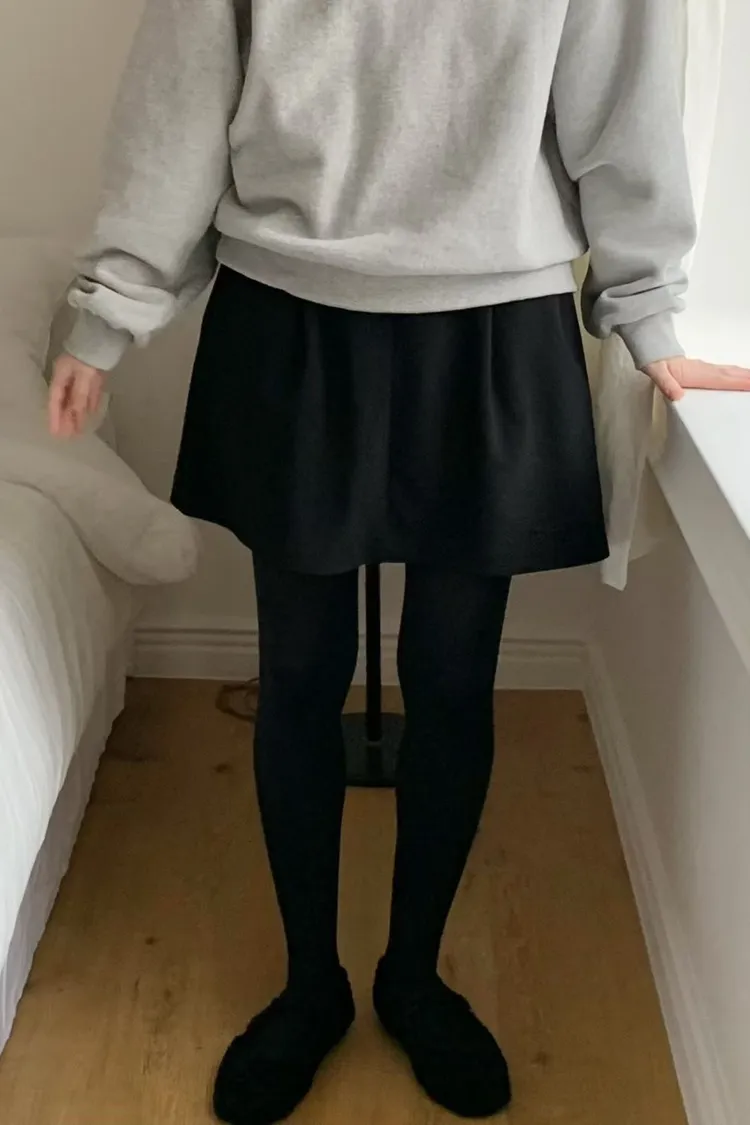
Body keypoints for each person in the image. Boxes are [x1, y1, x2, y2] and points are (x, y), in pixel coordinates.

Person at [49, 1, 750, 1122]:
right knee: (298, 676)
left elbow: (621, 110)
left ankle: (414, 978)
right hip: (291, 309)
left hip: (495, 320)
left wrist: (650, 316)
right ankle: (309, 986)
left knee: (453, 681)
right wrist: (111, 308)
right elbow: (178, 100)